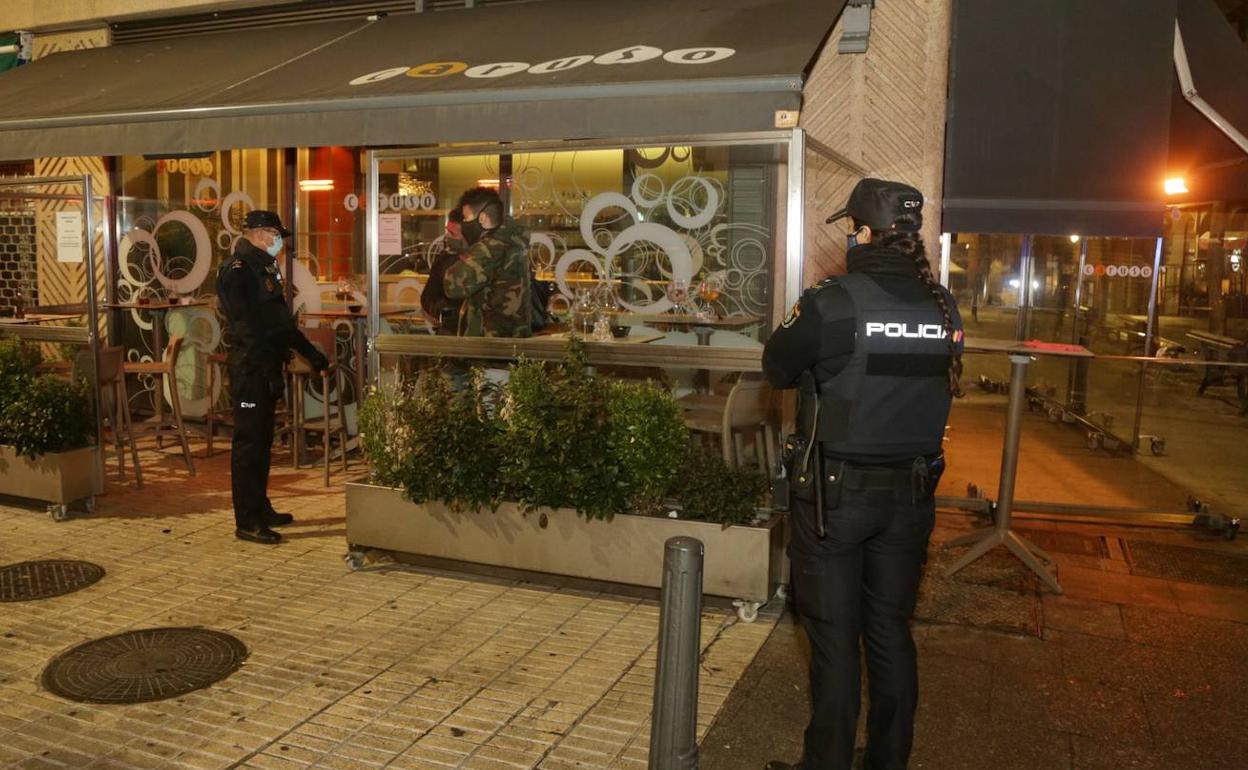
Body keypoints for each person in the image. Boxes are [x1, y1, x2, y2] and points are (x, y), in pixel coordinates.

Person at [762, 179, 964, 770]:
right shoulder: (943, 305)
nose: (848, 238)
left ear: (865, 233)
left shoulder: (833, 300)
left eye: (850, 228)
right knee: (890, 632)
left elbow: (776, 366)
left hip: (836, 499)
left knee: (833, 636)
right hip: (912, 497)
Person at [216, 210, 328, 545]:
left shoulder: (264, 266)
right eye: (276, 234)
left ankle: (260, 507)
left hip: (265, 366)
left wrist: (310, 354)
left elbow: (279, 322)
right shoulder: (237, 271)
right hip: (251, 368)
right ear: (260, 232)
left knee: (262, 442)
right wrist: (265, 364)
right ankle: (246, 520)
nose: (280, 240)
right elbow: (246, 326)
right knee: (249, 444)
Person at [443, 186, 533, 337]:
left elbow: (451, 285)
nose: (464, 224)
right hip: (513, 338)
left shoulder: (489, 248)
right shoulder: (512, 239)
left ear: (482, 218)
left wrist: (461, 253)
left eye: (466, 218)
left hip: (491, 344)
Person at [420, 208, 467, 335]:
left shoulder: (482, 261)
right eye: (448, 232)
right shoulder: (443, 258)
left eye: (453, 234)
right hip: (448, 332)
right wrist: (442, 311)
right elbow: (427, 297)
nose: (447, 237)